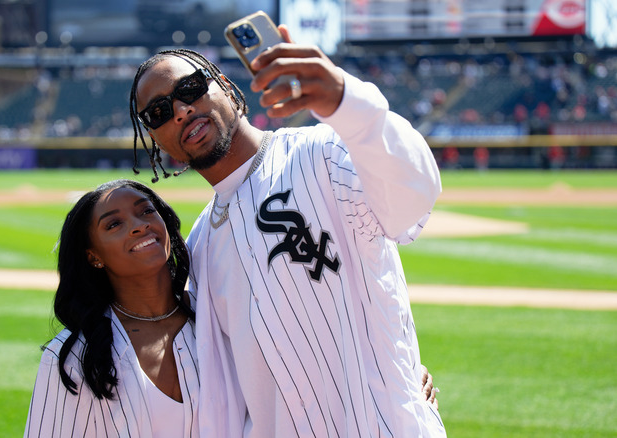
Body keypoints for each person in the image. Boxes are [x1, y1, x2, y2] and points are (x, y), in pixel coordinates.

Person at [129, 24, 446, 438]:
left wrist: (348, 103)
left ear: (224, 85)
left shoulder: (323, 153)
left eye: (190, 88)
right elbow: (224, 395)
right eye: (158, 112)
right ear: (155, 138)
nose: (180, 110)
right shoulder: (201, 245)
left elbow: (413, 198)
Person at [23, 179, 198, 437]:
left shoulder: (217, 315)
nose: (140, 226)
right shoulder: (75, 355)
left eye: (147, 211)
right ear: (94, 256)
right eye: (114, 224)